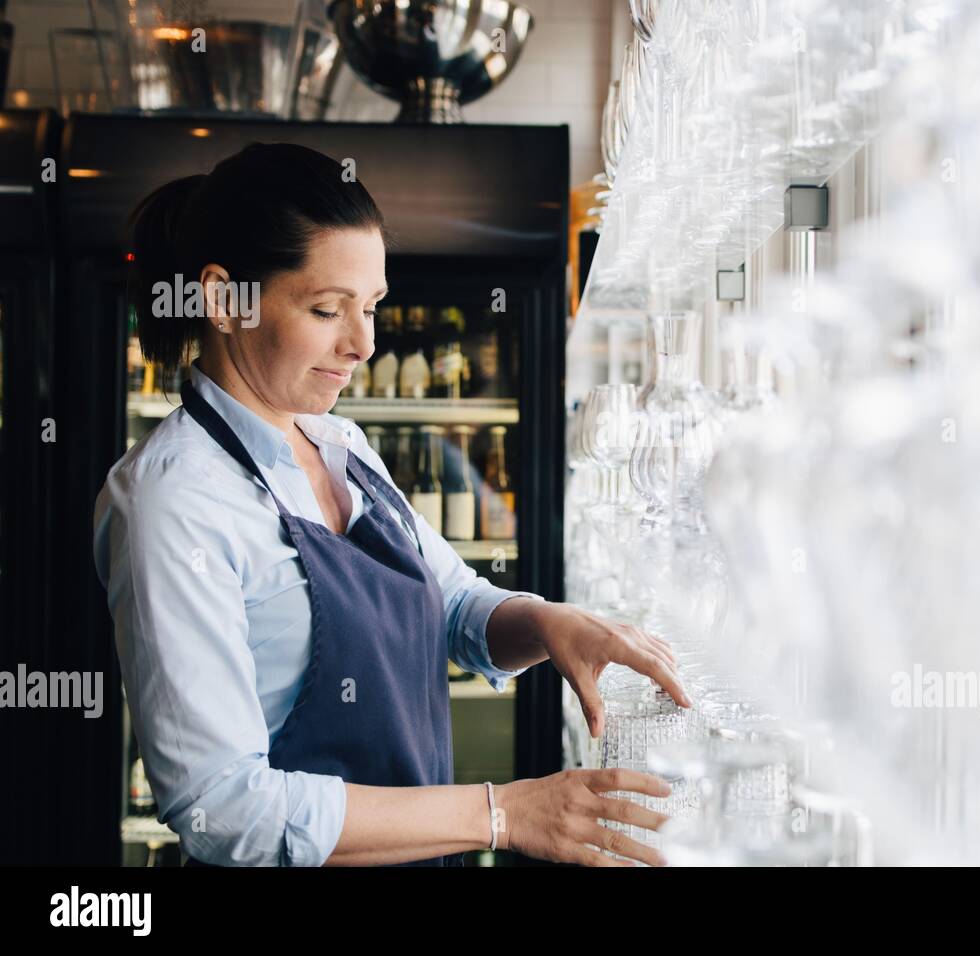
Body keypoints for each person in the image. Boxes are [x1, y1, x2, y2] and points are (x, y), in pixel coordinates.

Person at [92, 142, 690, 867]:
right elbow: (224, 808)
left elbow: (454, 606)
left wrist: (549, 622)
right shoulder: (173, 500)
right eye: (326, 309)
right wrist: (501, 813)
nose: (362, 343)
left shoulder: (341, 443)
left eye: (372, 307)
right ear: (223, 300)